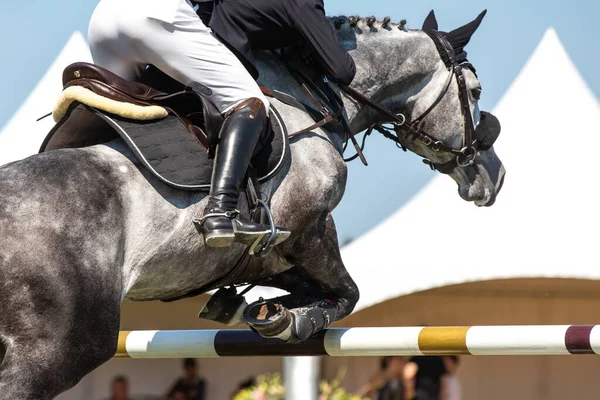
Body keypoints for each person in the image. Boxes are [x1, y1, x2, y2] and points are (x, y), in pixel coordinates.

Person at [87, 0, 355, 252]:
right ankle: (221, 210)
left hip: (103, 21)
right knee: (249, 101)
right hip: (156, 15)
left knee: (133, 110)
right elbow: (342, 71)